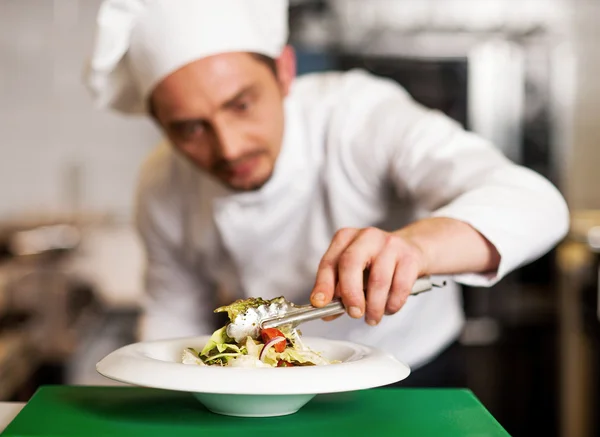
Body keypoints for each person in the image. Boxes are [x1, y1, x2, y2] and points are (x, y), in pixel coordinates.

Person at [84, 0, 569, 386]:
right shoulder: (161, 185)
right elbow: (175, 318)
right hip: (261, 384)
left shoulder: (357, 116)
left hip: (408, 373)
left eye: (242, 104)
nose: (229, 147)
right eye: (190, 128)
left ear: (285, 71)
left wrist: (414, 248)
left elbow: (534, 200)